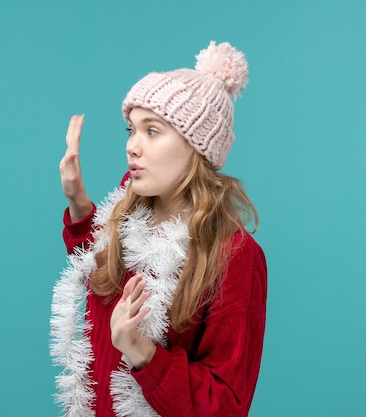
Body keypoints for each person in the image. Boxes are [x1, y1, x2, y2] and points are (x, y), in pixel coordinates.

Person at [50, 41, 267, 417]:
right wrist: (79, 204)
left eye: (152, 131)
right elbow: (102, 279)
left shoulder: (234, 256)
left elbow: (225, 405)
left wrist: (140, 351)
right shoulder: (127, 216)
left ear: (197, 146)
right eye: (131, 130)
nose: (132, 146)